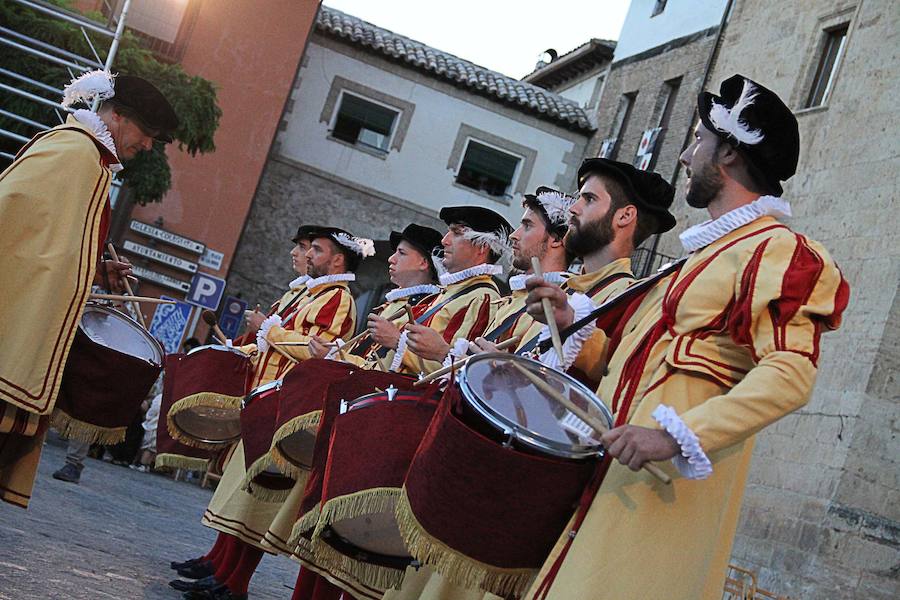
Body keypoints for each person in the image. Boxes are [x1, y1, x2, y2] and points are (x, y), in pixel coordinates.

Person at [524, 75, 849, 600]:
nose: (684, 157)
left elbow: (791, 375)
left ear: (728, 153)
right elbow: (630, 359)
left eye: (698, 140)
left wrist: (674, 435)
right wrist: (566, 322)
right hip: (611, 483)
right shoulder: (692, 263)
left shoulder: (780, 252)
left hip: (658, 494)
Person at [0, 70, 178, 502]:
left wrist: (96, 272)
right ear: (116, 115)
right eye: (146, 132)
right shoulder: (75, 152)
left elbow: (48, 239)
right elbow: (9, 217)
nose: (148, 145)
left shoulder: (89, 159)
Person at [172, 227, 370, 600]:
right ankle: (222, 570)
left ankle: (233, 582)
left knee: (260, 500)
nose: (307, 254)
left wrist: (269, 331)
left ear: (338, 259)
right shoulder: (312, 292)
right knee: (245, 494)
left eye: (316, 249)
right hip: (267, 401)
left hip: (287, 406)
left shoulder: (338, 298)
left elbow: (316, 351)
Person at [392, 206, 512, 375]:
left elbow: (454, 369)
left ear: (482, 246)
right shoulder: (453, 290)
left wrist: (397, 342)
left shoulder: (482, 297)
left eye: (456, 233)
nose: (445, 240)